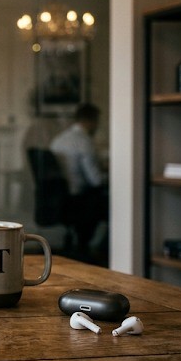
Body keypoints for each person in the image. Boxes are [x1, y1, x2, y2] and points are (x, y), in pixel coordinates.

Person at [49, 103, 108, 255]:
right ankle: (105, 252)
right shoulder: (84, 141)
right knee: (119, 203)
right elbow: (96, 181)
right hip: (80, 200)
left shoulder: (59, 139)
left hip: (60, 198)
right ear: (91, 121)